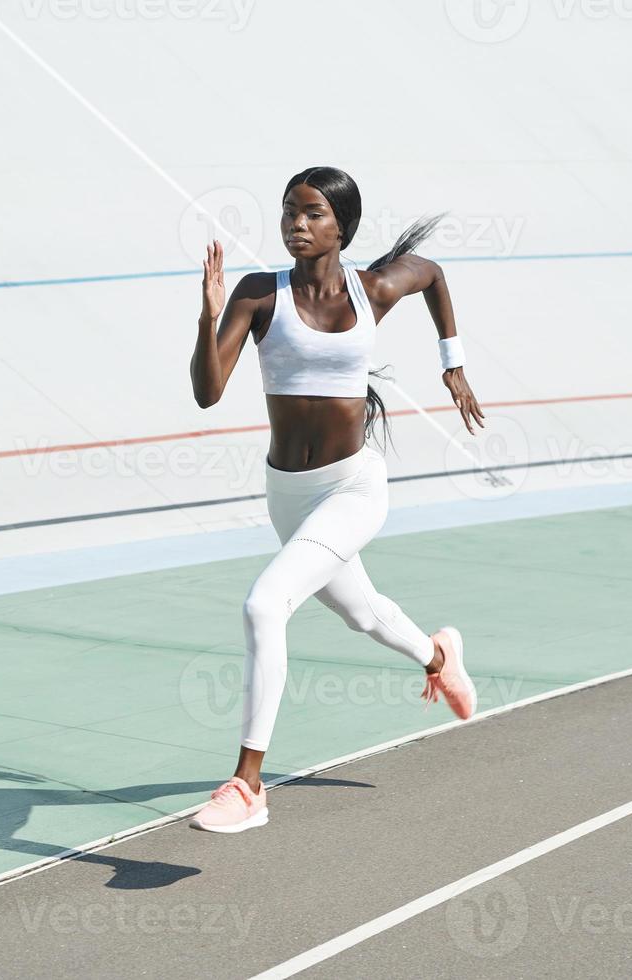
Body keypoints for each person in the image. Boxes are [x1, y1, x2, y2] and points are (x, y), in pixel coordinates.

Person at [186, 166, 486, 833]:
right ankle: (440, 657)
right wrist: (209, 319)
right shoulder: (259, 295)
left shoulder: (373, 289)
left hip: (354, 488)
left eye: (313, 213)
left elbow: (432, 273)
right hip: (289, 496)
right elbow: (208, 391)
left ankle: (247, 784)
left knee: (265, 604)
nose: (297, 223)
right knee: (364, 614)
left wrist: (453, 362)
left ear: (341, 227)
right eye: (290, 211)